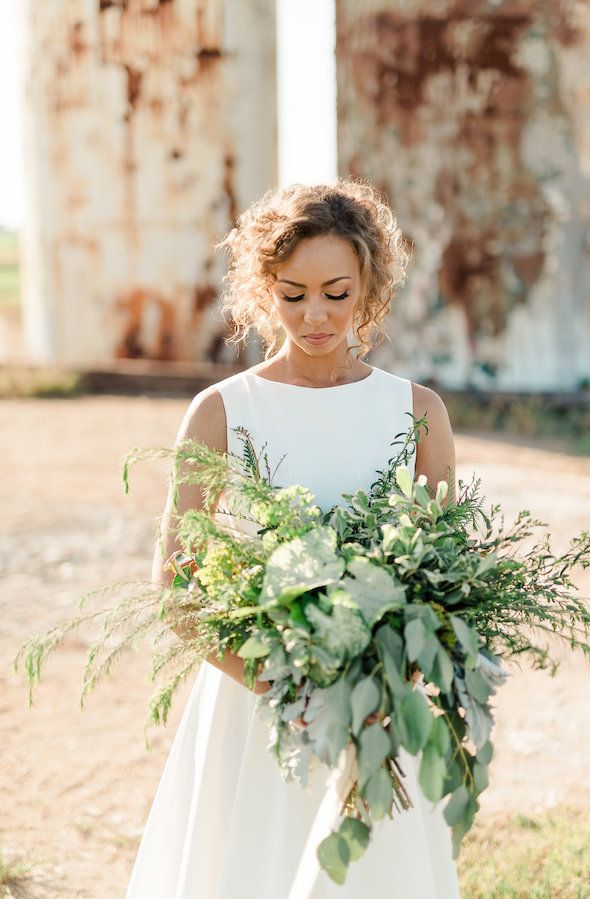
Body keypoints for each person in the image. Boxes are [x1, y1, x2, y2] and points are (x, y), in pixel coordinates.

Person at [125, 178, 460, 898]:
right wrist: (284, 686)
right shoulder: (221, 411)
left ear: (370, 283)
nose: (315, 314)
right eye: (293, 292)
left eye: (337, 293)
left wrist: (385, 680)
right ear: (261, 289)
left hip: (377, 707)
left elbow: (445, 582)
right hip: (258, 709)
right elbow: (174, 587)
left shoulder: (418, 412)